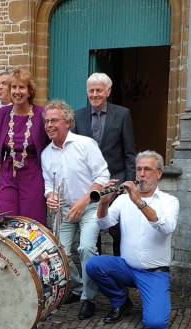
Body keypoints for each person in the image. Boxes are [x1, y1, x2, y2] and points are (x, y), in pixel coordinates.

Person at [86, 151, 179, 329]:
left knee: (156, 325)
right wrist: (103, 204)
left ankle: (154, 298)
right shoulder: (122, 199)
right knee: (94, 265)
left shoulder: (170, 201)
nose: (141, 174)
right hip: (127, 268)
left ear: (159, 173)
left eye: (147, 169)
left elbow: (166, 227)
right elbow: (104, 224)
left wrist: (138, 201)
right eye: (139, 169)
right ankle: (121, 301)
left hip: (154, 273)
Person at [41, 100, 109, 320]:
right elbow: (48, 185)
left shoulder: (85, 144)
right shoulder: (46, 154)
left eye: (54, 120)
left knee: (87, 248)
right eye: (46, 121)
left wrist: (84, 201)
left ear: (67, 122)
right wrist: (50, 197)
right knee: (59, 252)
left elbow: (102, 176)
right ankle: (78, 286)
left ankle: (88, 298)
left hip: (89, 206)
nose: (49, 125)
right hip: (65, 209)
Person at [74, 73, 136, 256]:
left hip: (116, 184)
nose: (94, 94)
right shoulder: (78, 116)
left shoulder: (123, 114)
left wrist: (128, 185)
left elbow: (130, 153)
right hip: (90, 186)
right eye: (91, 91)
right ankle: (97, 274)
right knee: (93, 235)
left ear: (108, 91)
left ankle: (120, 273)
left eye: (98, 90)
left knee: (118, 232)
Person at [0, 68, 48, 224]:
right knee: (5, 219)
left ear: (29, 91)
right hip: (7, 175)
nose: (17, 91)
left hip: (33, 174)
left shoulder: (41, 114)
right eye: (14, 87)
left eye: (21, 87)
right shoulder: (3, 113)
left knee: (32, 222)